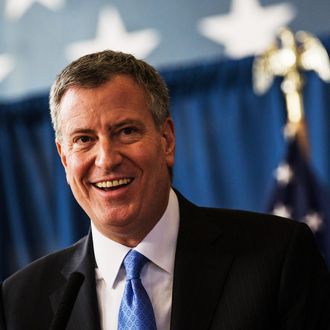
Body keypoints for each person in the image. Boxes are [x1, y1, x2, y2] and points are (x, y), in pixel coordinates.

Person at [0, 50, 329, 330]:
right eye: (84, 140)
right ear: (63, 157)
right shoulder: (20, 301)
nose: (107, 159)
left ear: (166, 140)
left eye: (126, 131)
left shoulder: (277, 257)